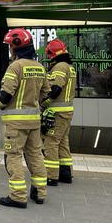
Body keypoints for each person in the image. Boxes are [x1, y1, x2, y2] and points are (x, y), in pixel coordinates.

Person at [0, 29, 50, 208]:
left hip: (16, 124)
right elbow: (46, 94)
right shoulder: (39, 66)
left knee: (14, 156)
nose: (10, 49)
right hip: (34, 121)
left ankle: (18, 196)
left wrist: (0, 105)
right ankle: (39, 193)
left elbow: (6, 93)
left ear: (16, 46)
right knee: (36, 155)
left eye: (10, 45)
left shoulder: (16, 66)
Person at [43, 39, 77, 185]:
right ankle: (65, 174)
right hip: (67, 112)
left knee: (50, 143)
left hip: (57, 113)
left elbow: (55, 89)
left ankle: (51, 176)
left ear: (52, 54)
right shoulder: (70, 67)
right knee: (63, 142)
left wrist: (44, 103)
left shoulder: (60, 67)